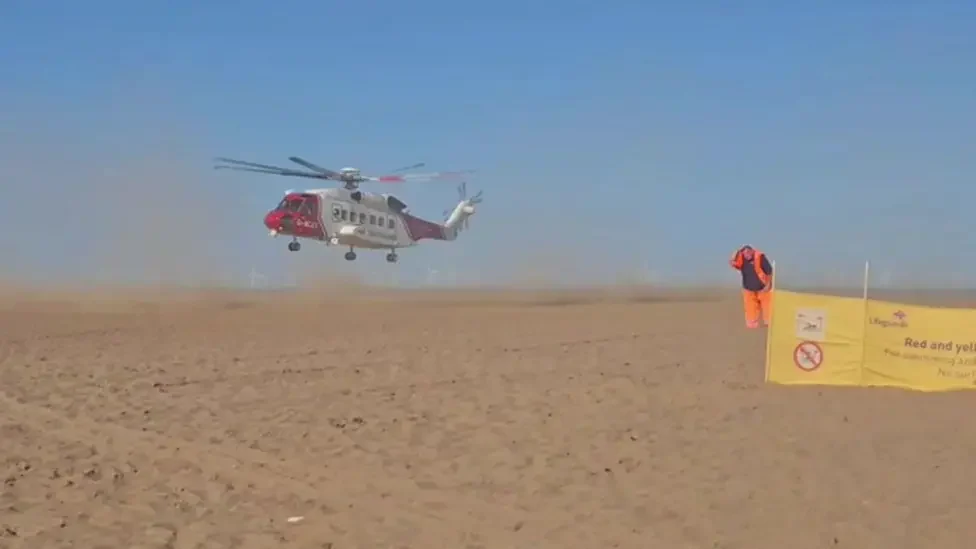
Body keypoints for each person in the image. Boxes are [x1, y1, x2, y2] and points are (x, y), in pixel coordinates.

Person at [729, 245, 773, 328]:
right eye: (745, 254)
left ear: (752, 250)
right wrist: (734, 256)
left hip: (763, 288)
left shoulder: (760, 257)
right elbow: (734, 263)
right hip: (748, 289)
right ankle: (752, 326)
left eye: (748, 252)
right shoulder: (741, 258)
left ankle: (769, 323)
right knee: (750, 309)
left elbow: (769, 271)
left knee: (768, 306)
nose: (747, 255)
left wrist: (768, 284)